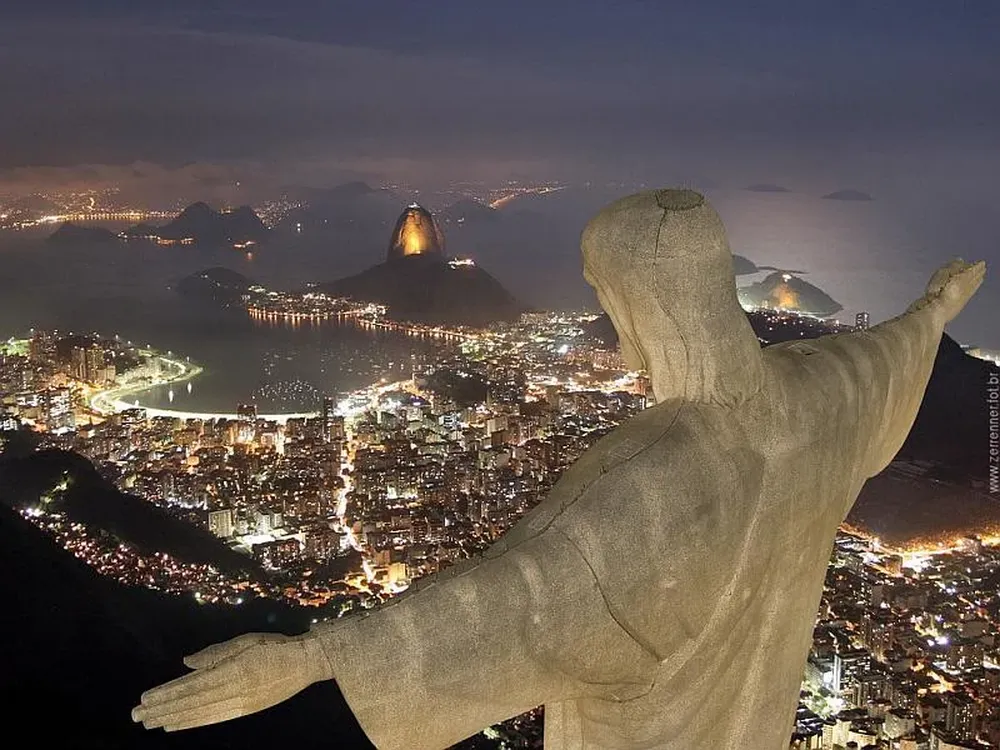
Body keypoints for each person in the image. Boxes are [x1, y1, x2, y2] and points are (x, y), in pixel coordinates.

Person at [133, 189, 985, 749]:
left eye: (607, 299)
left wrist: (313, 660)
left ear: (635, 304)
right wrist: (937, 307)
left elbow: (520, 598)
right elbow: (892, 353)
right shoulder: (821, 394)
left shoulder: (654, 475)